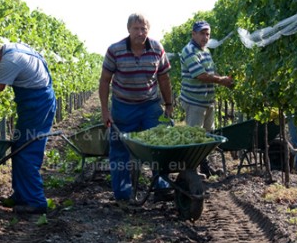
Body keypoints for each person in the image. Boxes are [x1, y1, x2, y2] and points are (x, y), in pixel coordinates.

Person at [0, 41, 56, 214]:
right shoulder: (13, 48)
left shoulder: (10, 61)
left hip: (38, 105)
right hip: (36, 103)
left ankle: (36, 202)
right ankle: (21, 195)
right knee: (19, 148)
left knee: (27, 151)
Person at [99, 13, 173, 202]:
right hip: (123, 106)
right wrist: (105, 111)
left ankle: (161, 185)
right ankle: (123, 195)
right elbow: (105, 80)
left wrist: (169, 105)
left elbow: (164, 78)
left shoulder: (157, 48)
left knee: (160, 145)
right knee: (120, 149)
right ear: (128, 30)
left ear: (148, 30)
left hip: (150, 105)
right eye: (136, 29)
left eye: (144, 29)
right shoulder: (115, 50)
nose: (140, 32)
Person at [179, 20, 233, 177]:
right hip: (194, 102)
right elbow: (201, 75)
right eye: (202, 33)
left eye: (207, 34)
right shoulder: (189, 51)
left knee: (206, 136)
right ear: (193, 34)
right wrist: (221, 80)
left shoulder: (206, 51)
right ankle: (190, 171)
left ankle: (204, 166)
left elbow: (210, 72)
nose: (205, 37)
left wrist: (224, 80)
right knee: (195, 137)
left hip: (207, 102)